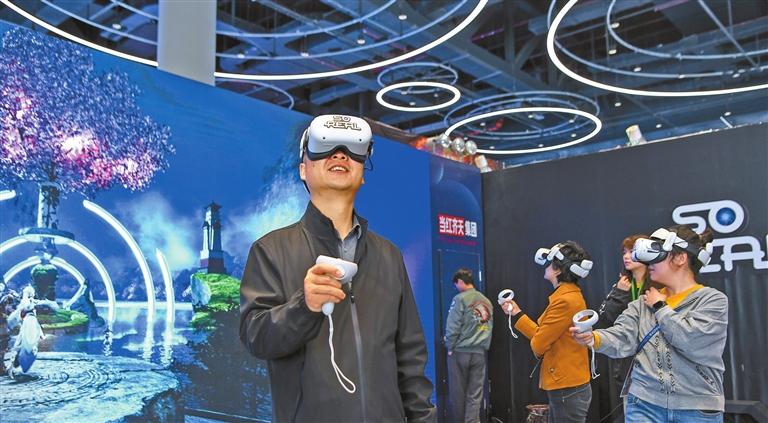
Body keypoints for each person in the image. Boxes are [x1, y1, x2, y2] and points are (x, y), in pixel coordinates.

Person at [239, 114, 436, 422]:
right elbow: (256, 338)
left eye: (352, 150)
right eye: (325, 147)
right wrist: (304, 306)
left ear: (363, 173)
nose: (340, 154)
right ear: (303, 170)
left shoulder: (389, 256)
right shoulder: (270, 250)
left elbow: (410, 358)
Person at [572, 225, 727, 422]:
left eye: (657, 256)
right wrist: (593, 338)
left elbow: (691, 341)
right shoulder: (642, 303)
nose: (649, 263)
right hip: (644, 404)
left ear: (680, 258)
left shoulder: (712, 300)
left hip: (697, 408)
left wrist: (660, 306)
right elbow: (623, 336)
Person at [501, 241, 595, 423]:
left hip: (568, 387)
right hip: (568, 386)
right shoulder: (568, 296)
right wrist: (517, 313)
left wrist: (539, 343)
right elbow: (543, 334)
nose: (546, 266)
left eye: (550, 263)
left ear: (558, 270)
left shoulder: (565, 301)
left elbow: (539, 343)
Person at [594, 234, 654, 422]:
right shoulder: (621, 285)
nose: (627, 257)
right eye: (624, 252)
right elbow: (604, 322)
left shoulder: (658, 285)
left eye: (632, 251)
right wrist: (619, 293)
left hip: (654, 362)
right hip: (627, 363)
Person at [444, 268, 492, 423]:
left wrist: (450, 346)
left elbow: (453, 326)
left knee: (457, 394)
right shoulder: (486, 301)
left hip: (460, 351)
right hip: (479, 353)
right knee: (475, 395)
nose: (456, 287)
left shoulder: (460, 299)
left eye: (456, 284)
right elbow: (489, 327)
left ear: (460, 281)